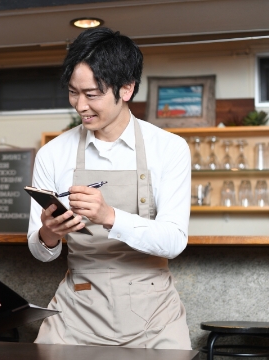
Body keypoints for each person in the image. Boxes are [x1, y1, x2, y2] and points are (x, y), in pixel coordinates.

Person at [27, 27, 192, 349]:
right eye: (74, 92)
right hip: (77, 309)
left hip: (154, 312)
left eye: (92, 94)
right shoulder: (53, 153)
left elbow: (174, 241)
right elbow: (40, 253)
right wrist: (49, 233)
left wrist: (109, 215)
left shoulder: (169, 148)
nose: (80, 105)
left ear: (126, 89)